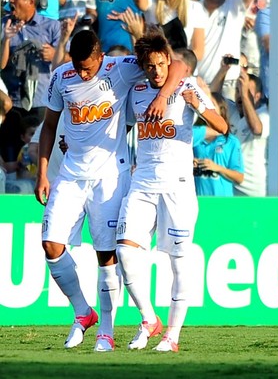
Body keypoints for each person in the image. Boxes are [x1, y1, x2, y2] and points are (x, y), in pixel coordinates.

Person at [34, 29, 185, 352]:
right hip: (71, 174)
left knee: (107, 256)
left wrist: (161, 97)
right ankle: (82, 313)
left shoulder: (121, 68)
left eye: (87, 67)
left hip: (109, 176)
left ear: (101, 57)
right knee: (50, 244)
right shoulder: (62, 77)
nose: (82, 73)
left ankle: (106, 330)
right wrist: (43, 172)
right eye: (78, 66)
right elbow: (49, 125)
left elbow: (179, 67)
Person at [117, 29, 226, 353]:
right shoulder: (135, 91)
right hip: (143, 182)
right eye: (150, 66)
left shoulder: (187, 87)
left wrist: (199, 107)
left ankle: (173, 336)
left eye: (161, 64)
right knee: (125, 251)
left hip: (178, 187)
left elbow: (222, 126)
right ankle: (149, 319)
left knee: (179, 262)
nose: (156, 71)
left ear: (168, 60)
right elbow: (120, 127)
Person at [0, 0, 60, 166]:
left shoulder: (52, 26)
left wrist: (55, 53)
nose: (10, 0)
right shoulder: (3, 24)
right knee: (10, 163)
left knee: (39, 159)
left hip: (41, 103)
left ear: (31, 2)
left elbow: (69, 61)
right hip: (12, 104)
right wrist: (6, 40)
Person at [193, 92, 244, 196]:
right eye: (204, 104)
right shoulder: (192, 136)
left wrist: (217, 168)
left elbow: (239, 177)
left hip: (222, 205)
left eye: (211, 104)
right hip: (197, 202)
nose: (207, 107)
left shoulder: (231, 141)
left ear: (221, 110)